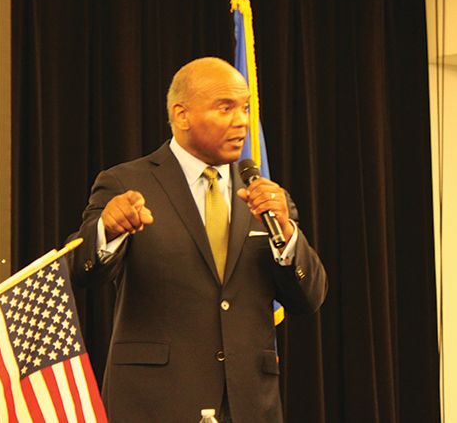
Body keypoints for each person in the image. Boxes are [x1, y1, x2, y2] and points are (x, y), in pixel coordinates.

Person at [69, 57, 327, 422]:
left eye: (245, 108)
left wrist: (286, 236)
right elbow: (80, 272)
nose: (241, 121)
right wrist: (107, 231)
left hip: (249, 404)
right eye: (226, 108)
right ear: (182, 114)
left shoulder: (266, 196)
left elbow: (309, 298)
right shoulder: (127, 183)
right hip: (155, 403)